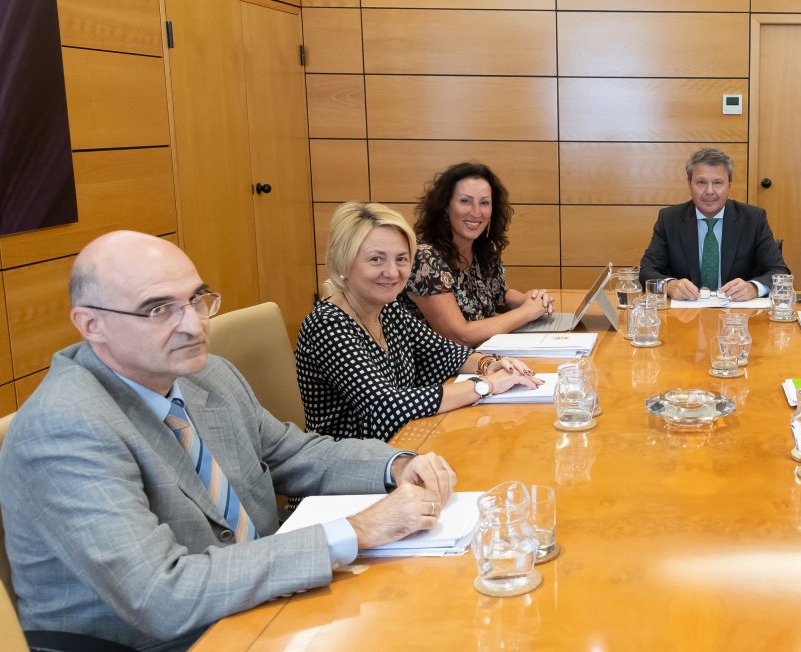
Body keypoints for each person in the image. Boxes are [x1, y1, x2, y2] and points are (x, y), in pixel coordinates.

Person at [0, 231, 459, 650]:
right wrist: (359, 530)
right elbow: (162, 595)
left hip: (260, 601)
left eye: (197, 300)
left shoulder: (209, 375)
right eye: (159, 309)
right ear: (91, 324)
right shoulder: (65, 428)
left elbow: (294, 453)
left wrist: (396, 465)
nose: (194, 325)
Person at [297, 201, 540, 443]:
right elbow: (387, 407)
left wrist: (490, 365)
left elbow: (446, 354)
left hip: (406, 444)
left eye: (401, 259)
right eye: (376, 260)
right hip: (351, 465)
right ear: (343, 264)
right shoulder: (326, 325)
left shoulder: (388, 309)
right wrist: (485, 385)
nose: (393, 272)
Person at [400, 162, 554, 347]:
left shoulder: (482, 250)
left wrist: (531, 300)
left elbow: (499, 296)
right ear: (445, 207)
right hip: (442, 372)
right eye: (465, 201)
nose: (476, 212)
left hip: (482, 358)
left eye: (484, 203)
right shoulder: (425, 258)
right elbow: (459, 335)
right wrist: (527, 312)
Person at [638, 147, 789, 302]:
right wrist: (669, 286)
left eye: (718, 182)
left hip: (738, 317)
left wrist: (753, 288)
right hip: (685, 316)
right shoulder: (670, 219)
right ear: (689, 184)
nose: (709, 191)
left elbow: (780, 272)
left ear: (729, 184)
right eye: (701, 182)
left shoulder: (753, 219)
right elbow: (646, 270)